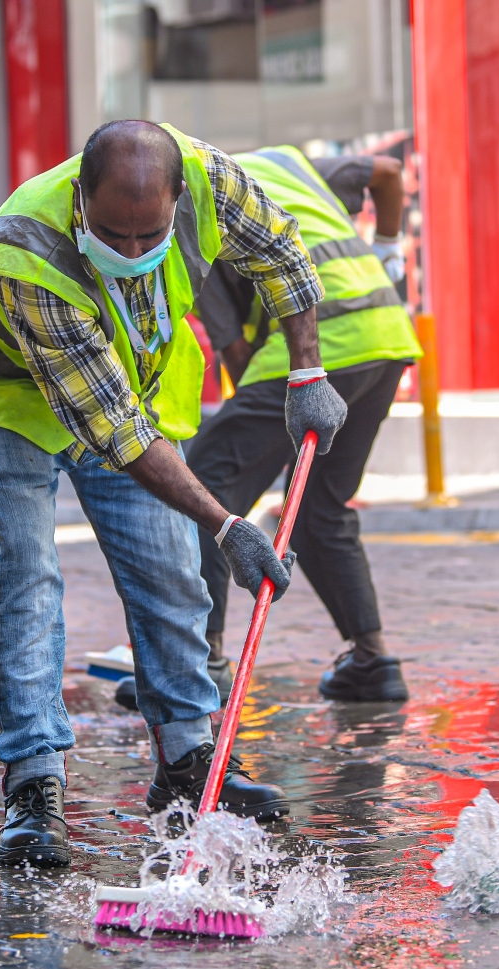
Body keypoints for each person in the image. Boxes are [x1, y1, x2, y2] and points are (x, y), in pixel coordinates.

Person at [0, 120, 348, 868]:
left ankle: (190, 762)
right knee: (31, 576)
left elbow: (282, 253)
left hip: (125, 386)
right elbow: (116, 434)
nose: (133, 252)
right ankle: (34, 784)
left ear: (175, 200)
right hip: (12, 401)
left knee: (169, 572)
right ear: (79, 202)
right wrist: (227, 524)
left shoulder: (207, 181)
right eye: (112, 234)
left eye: (149, 235)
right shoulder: (26, 255)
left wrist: (306, 370)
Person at [176, 147, 421, 705]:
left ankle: (201, 663)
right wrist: (387, 249)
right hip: (384, 334)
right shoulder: (291, 163)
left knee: (204, 490)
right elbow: (387, 174)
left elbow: (236, 351)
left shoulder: (188, 207)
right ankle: (372, 659)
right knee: (318, 509)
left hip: (319, 350)